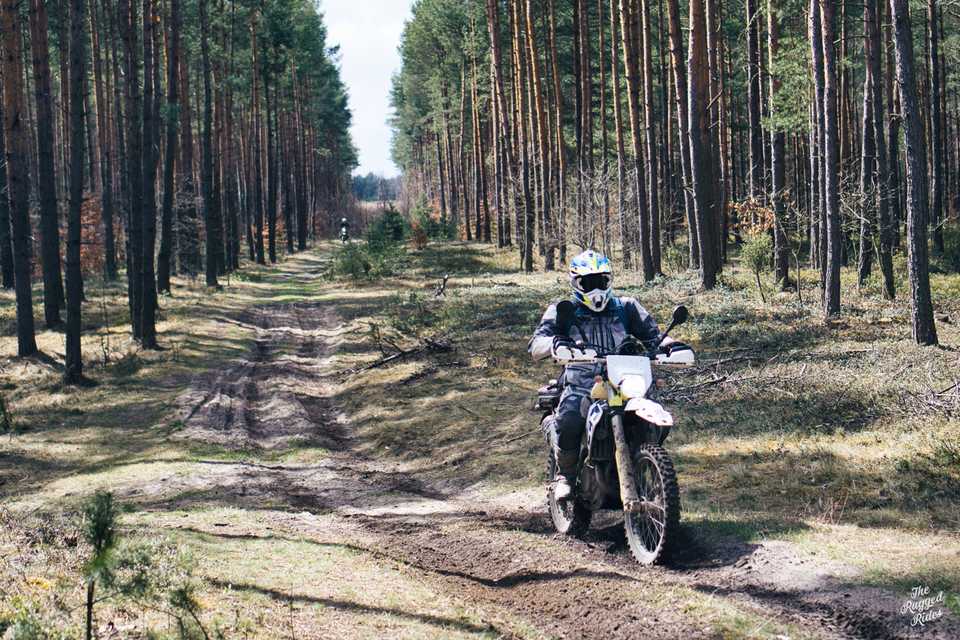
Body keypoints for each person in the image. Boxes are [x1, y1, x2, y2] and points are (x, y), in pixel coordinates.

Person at [528, 250, 665, 500]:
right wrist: (554, 343)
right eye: (588, 282)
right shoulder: (562, 310)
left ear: (609, 280)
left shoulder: (627, 307)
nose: (596, 288)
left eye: (601, 281)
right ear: (576, 283)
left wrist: (672, 346)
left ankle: (648, 468)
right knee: (570, 419)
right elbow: (536, 345)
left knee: (656, 415)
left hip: (626, 383)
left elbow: (655, 337)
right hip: (582, 384)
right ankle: (565, 476)